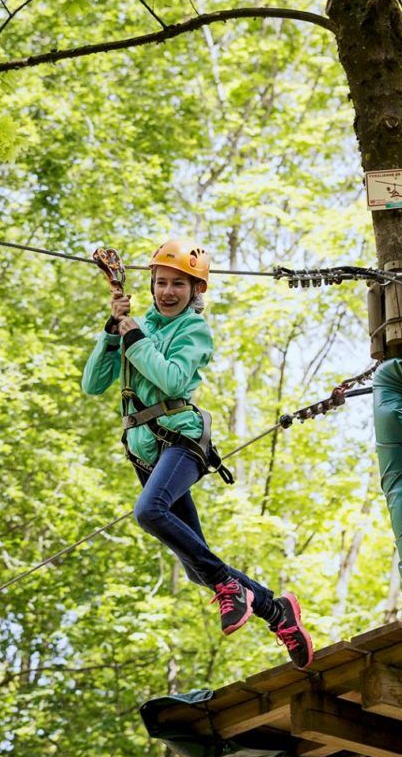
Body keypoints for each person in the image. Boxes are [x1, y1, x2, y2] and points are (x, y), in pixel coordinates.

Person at [83, 238, 315, 667]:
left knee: (149, 512)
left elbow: (172, 381)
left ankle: (231, 586)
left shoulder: (193, 330)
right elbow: (93, 384)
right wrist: (111, 331)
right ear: (151, 285)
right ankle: (274, 610)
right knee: (196, 566)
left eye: (179, 285)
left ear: (196, 291)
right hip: (146, 452)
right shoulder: (140, 326)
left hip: (182, 441)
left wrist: (133, 335)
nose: (168, 292)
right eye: (161, 283)